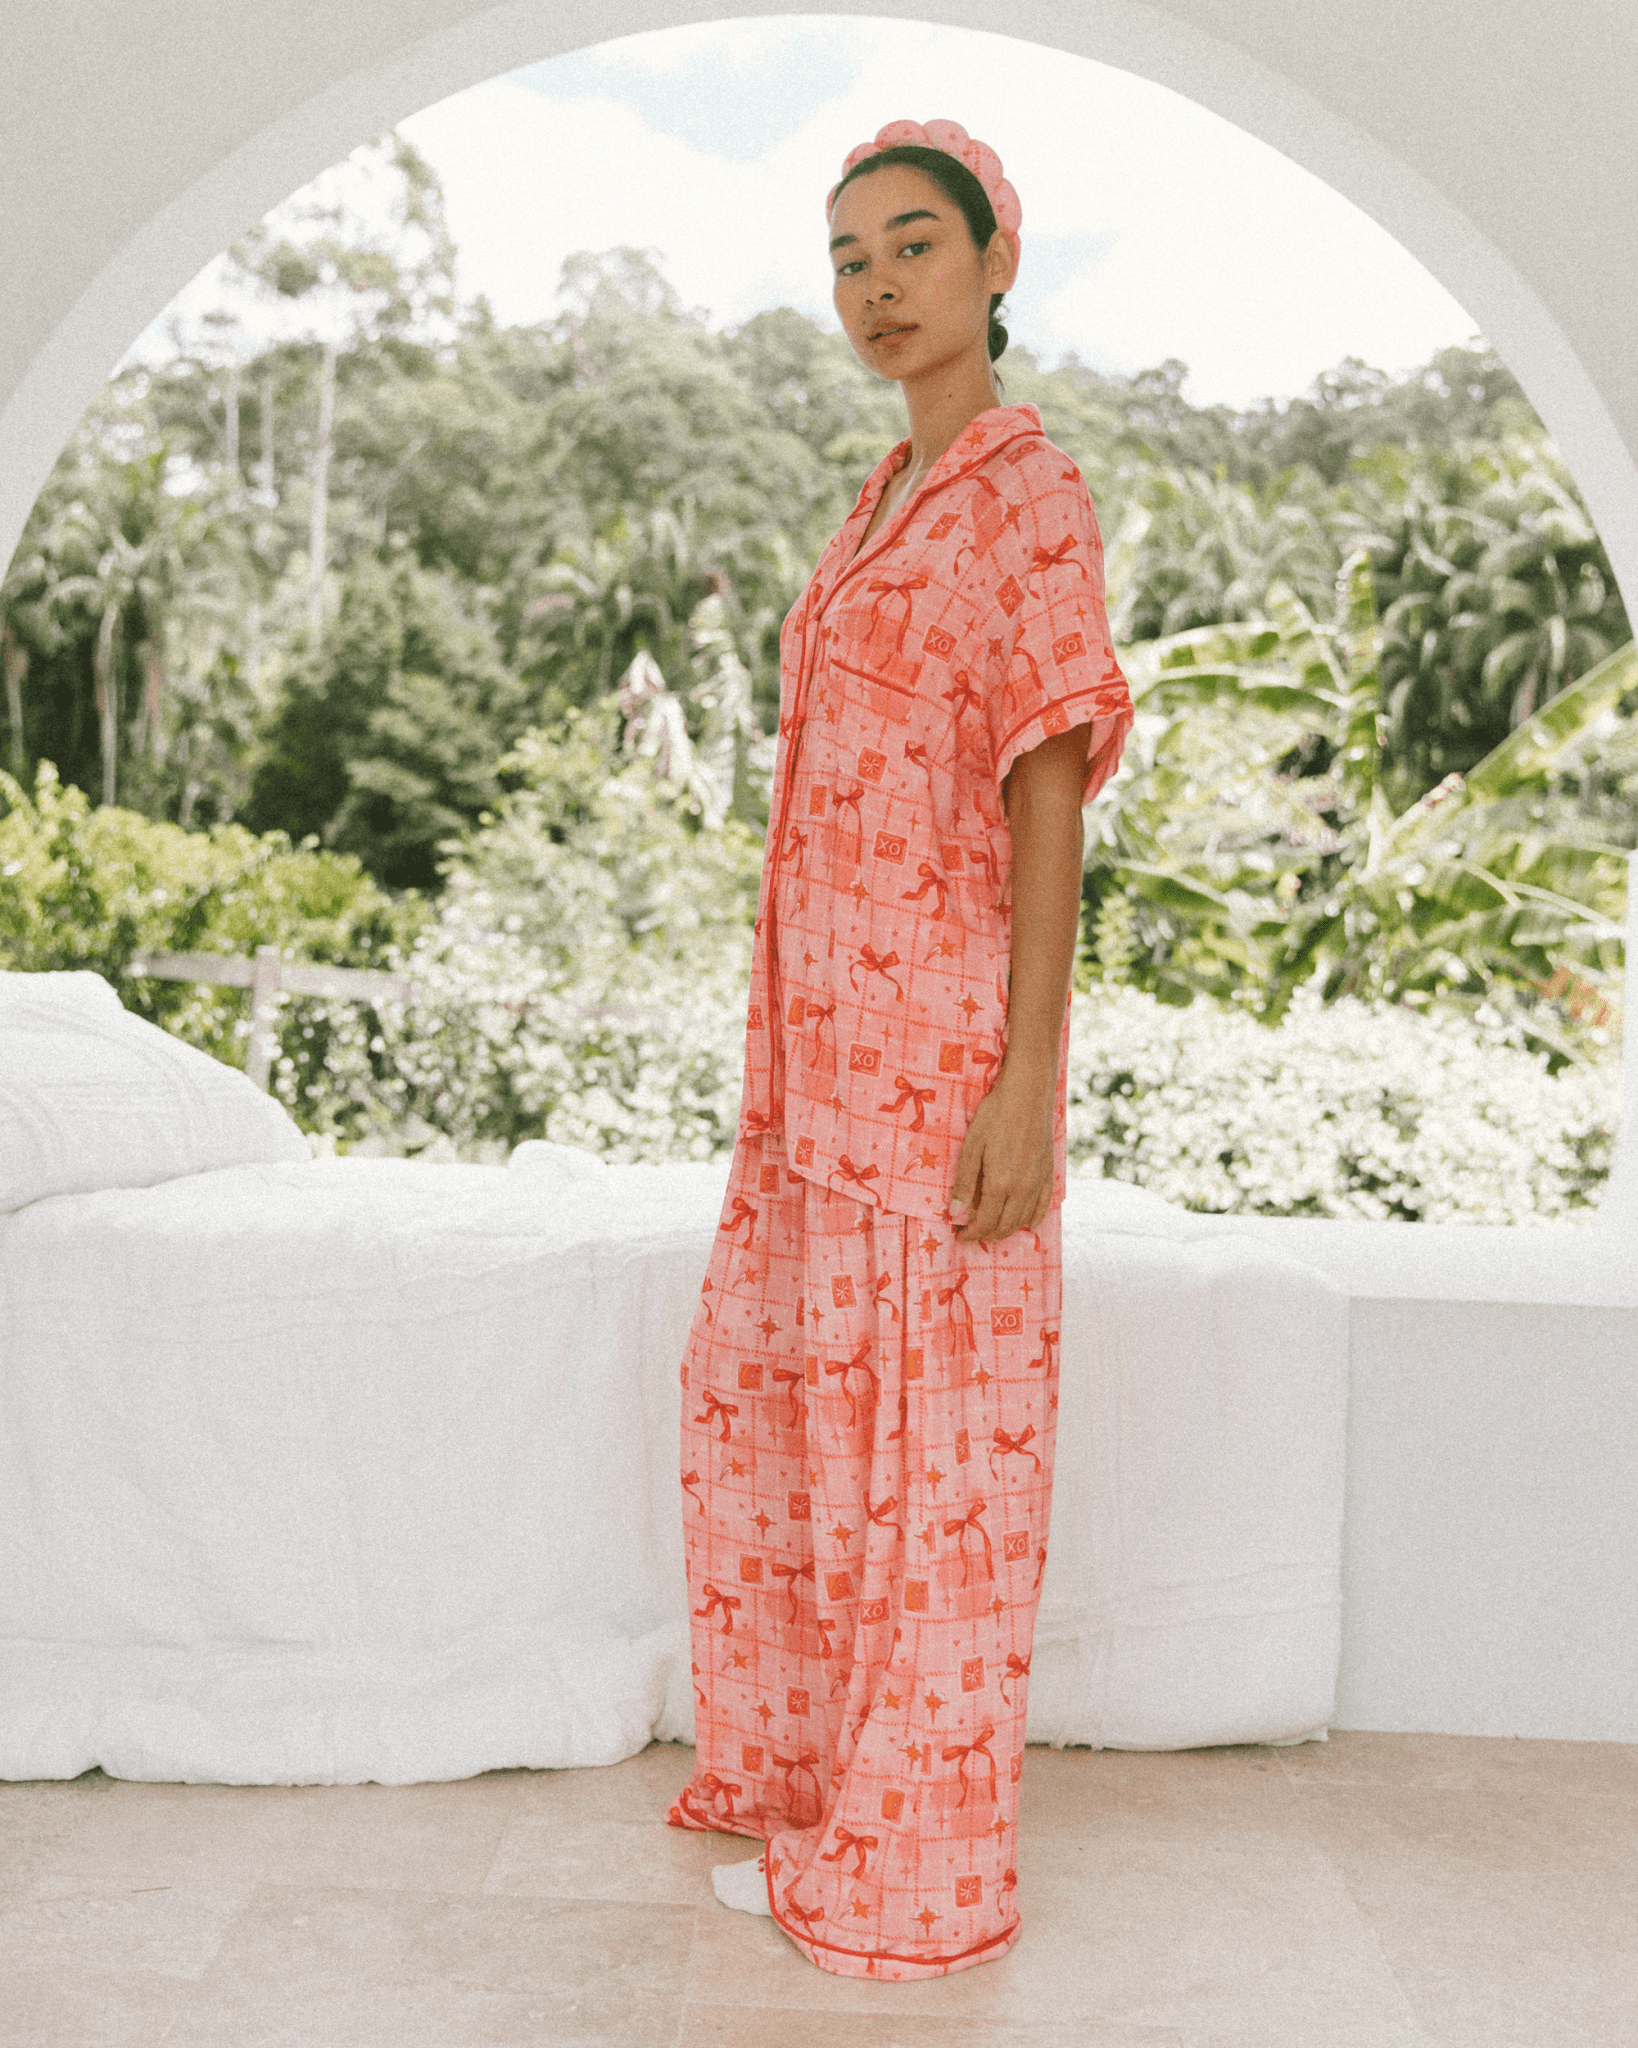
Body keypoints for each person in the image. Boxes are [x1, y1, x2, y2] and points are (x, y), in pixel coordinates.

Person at [665, 118, 1135, 1981]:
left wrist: (1024, 1077)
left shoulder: (1028, 495)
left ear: (997, 261)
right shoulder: (878, 500)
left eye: (913, 245)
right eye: (847, 256)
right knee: (808, 1432)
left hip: (938, 1057)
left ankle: (912, 1876)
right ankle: (822, 1799)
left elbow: (1046, 794)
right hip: (815, 1060)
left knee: (936, 1466)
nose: (875, 285)